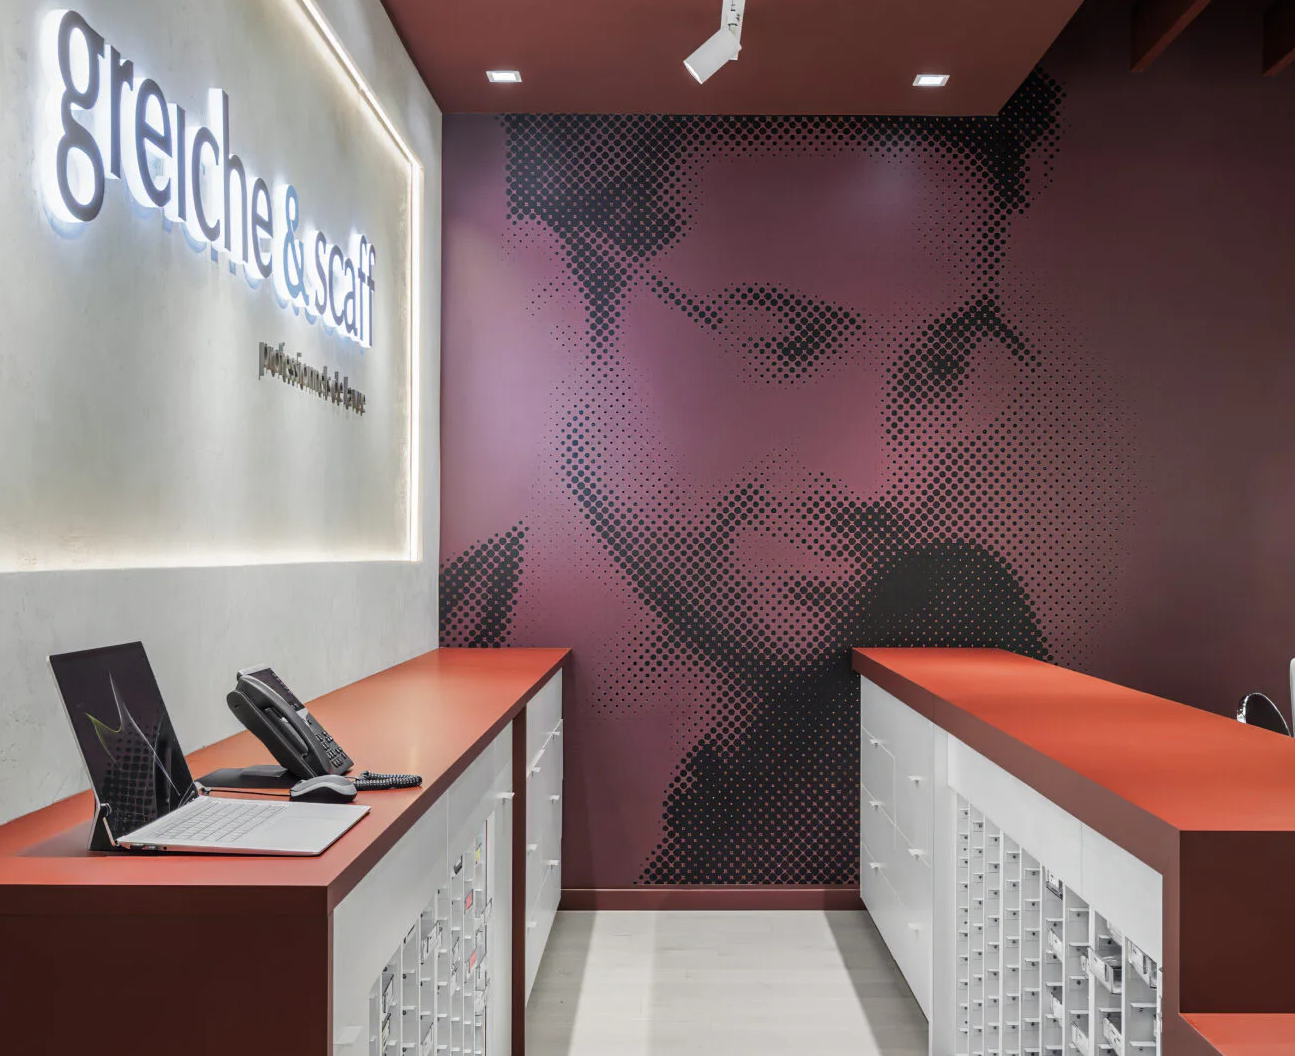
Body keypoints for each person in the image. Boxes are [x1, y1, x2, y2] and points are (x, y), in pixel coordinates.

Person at [441, 79, 1064, 886]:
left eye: (940, 363)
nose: (874, 478)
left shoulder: (947, 684)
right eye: (784, 345)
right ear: (560, 299)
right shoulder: (445, 653)